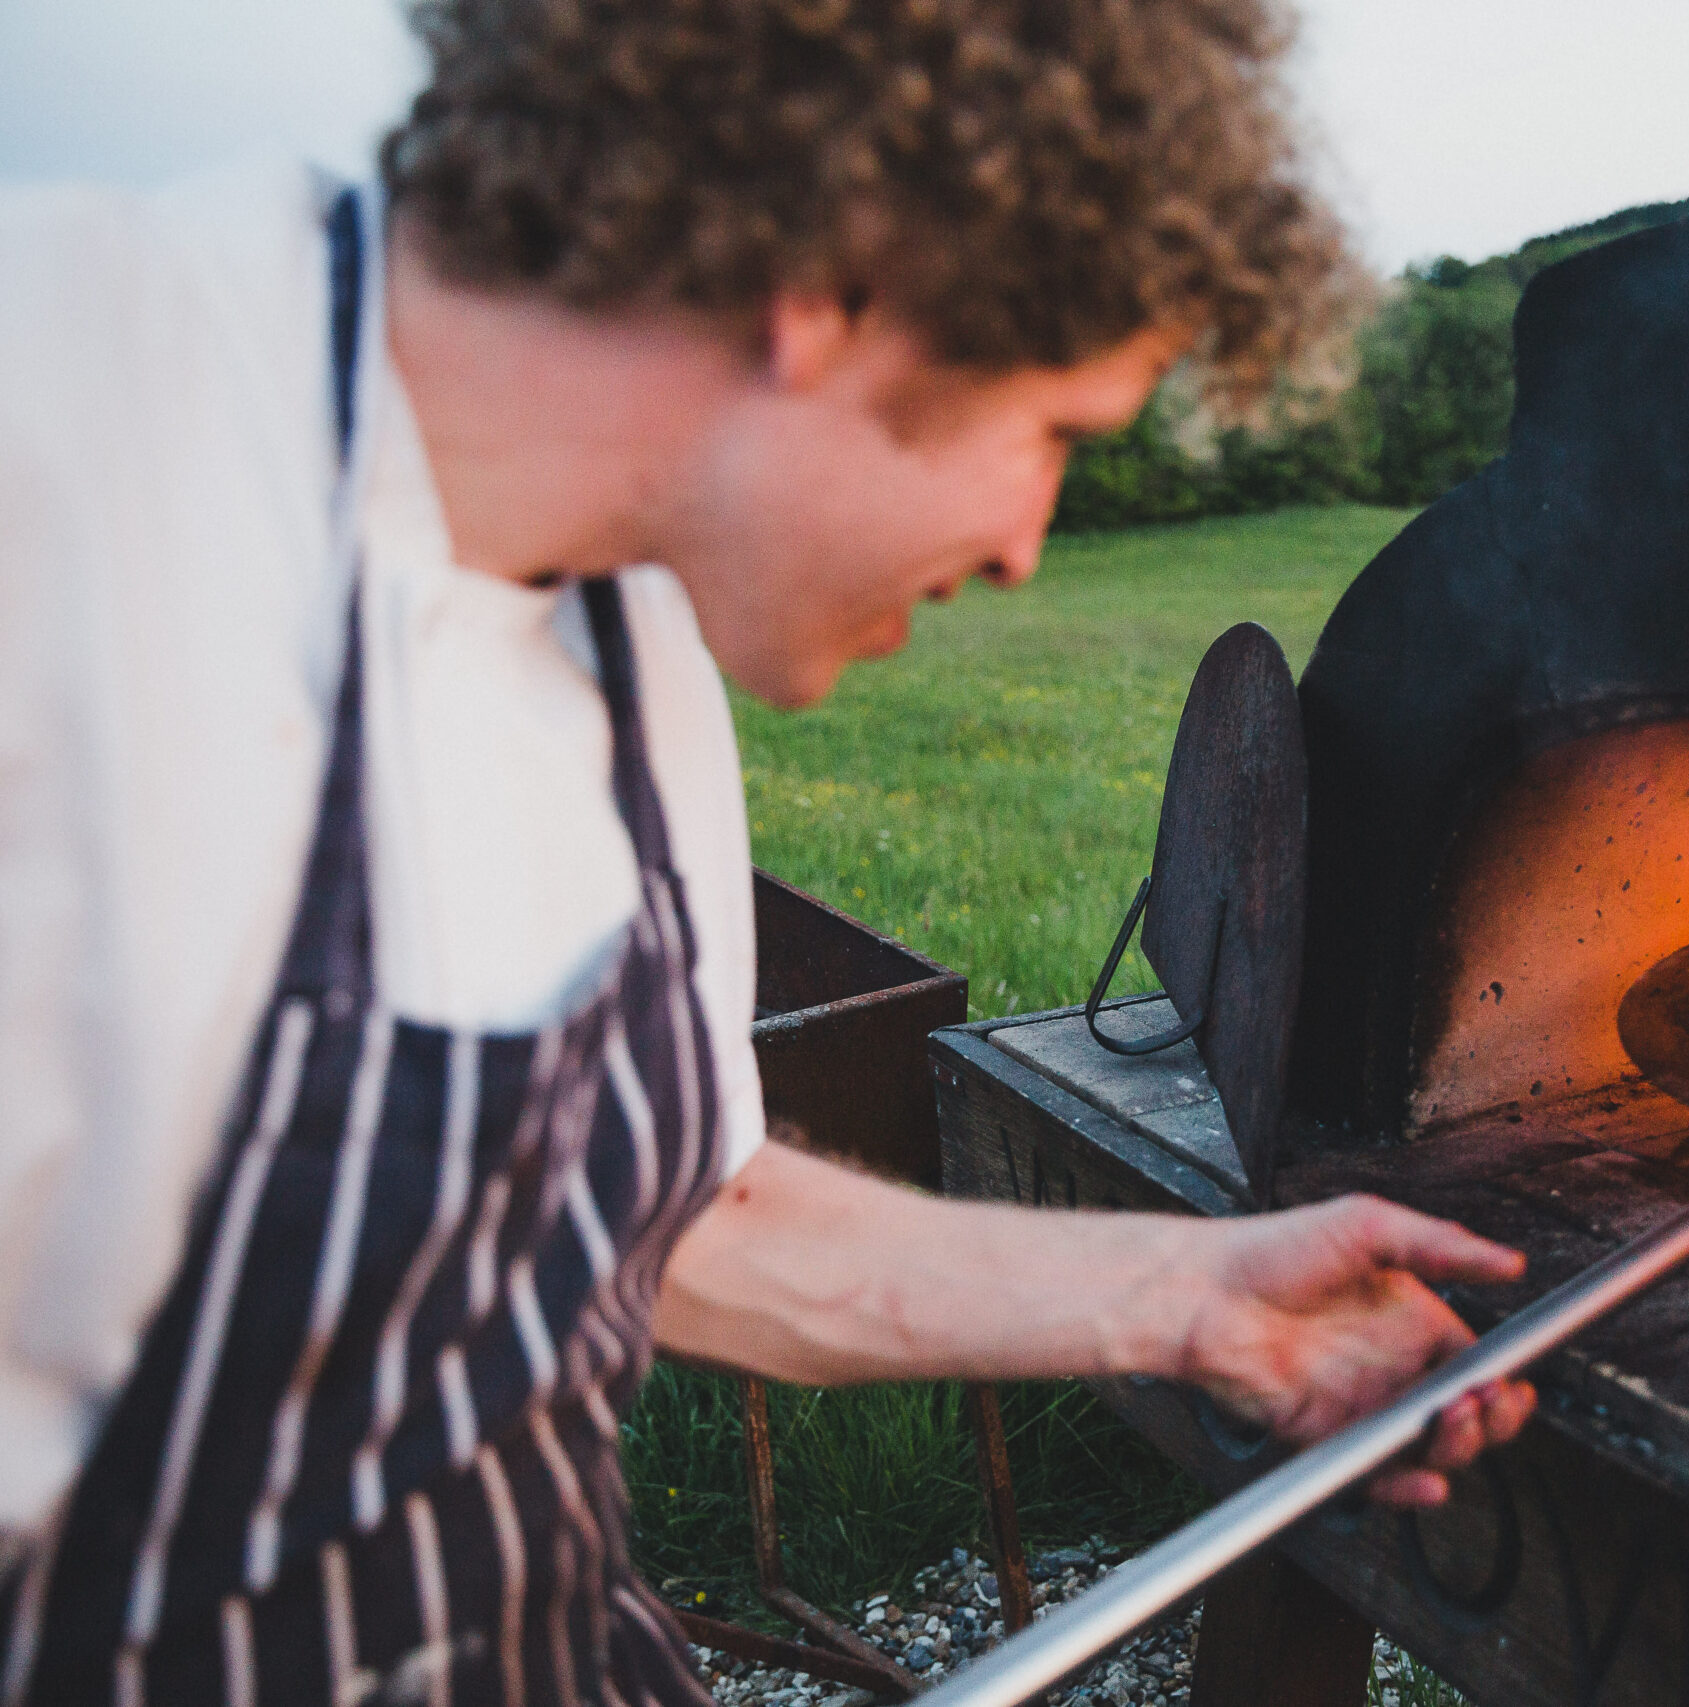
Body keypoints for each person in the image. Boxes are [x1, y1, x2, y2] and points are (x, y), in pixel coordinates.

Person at [0, 0, 1536, 1700]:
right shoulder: (63, 444)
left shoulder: (636, 617)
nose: (1033, 543)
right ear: (837, 282)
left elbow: (667, 1219)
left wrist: (1184, 1298)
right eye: (1052, 435)